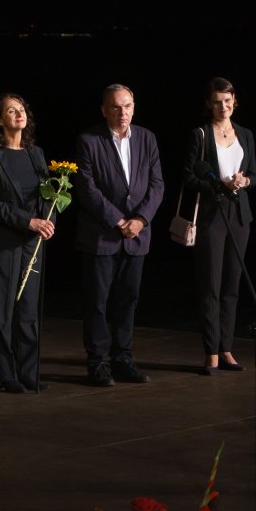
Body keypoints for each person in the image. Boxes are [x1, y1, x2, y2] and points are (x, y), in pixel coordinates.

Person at [74, 83, 164, 386]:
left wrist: (140, 220)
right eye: (115, 106)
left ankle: (123, 359)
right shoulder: (89, 140)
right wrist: (118, 220)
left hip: (137, 236)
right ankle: (97, 363)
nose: (122, 112)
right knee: (98, 303)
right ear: (104, 110)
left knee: (128, 300)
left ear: (134, 107)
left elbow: (157, 185)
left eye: (127, 106)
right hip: (102, 236)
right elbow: (88, 189)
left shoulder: (147, 138)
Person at [182, 77, 256, 377]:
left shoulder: (246, 134)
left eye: (227, 101)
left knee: (232, 286)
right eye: (217, 102)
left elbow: (255, 173)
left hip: (239, 214)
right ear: (209, 104)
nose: (223, 107)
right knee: (210, 286)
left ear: (234, 101)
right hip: (212, 214)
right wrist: (218, 183)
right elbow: (189, 177)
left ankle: (227, 348)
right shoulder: (200, 135)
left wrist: (245, 180)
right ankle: (211, 352)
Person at [0, 93, 55, 394]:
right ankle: (6, 373)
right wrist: (28, 221)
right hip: (4, 241)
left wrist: (49, 218)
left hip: (33, 242)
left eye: (22, 109)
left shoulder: (35, 154)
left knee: (27, 310)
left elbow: (46, 196)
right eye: (11, 111)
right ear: (0, 120)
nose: (18, 114)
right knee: (2, 310)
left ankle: (28, 371)